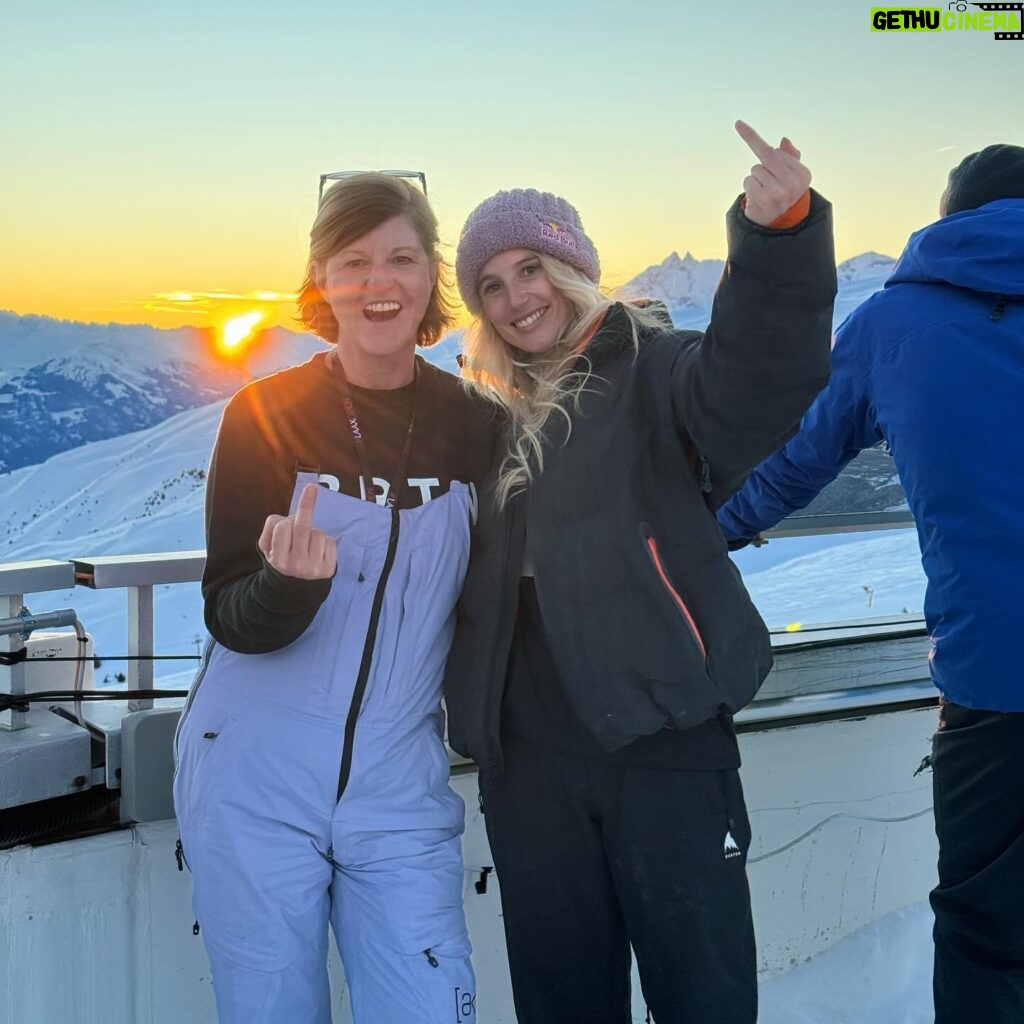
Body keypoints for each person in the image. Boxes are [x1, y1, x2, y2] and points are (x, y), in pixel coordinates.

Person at [443, 121, 837, 1024]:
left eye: (530, 269)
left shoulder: (656, 367)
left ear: (572, 270)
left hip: (661, 739)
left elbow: (754, 394)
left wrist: (778, 239)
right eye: (492, 286)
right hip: (528, 763)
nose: (515, 299)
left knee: (700, 995)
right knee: (562, 1000)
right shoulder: (487, 413)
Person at [173, 172, 497, 1024]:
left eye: (400, 257)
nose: (378, 282)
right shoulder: (263, 415)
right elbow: (226, 609)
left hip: (399, 780)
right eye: (354, 261)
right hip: (254, 776)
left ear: (431, 276)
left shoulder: (479, 424)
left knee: (430, 1003)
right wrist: (286, 589)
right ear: (321, 280)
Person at [716, 144, 1024, 1024]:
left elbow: (791, 464)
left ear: (947, 219)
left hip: (993, 683)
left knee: (983, 931)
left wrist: (696, 533)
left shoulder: (896, 321)